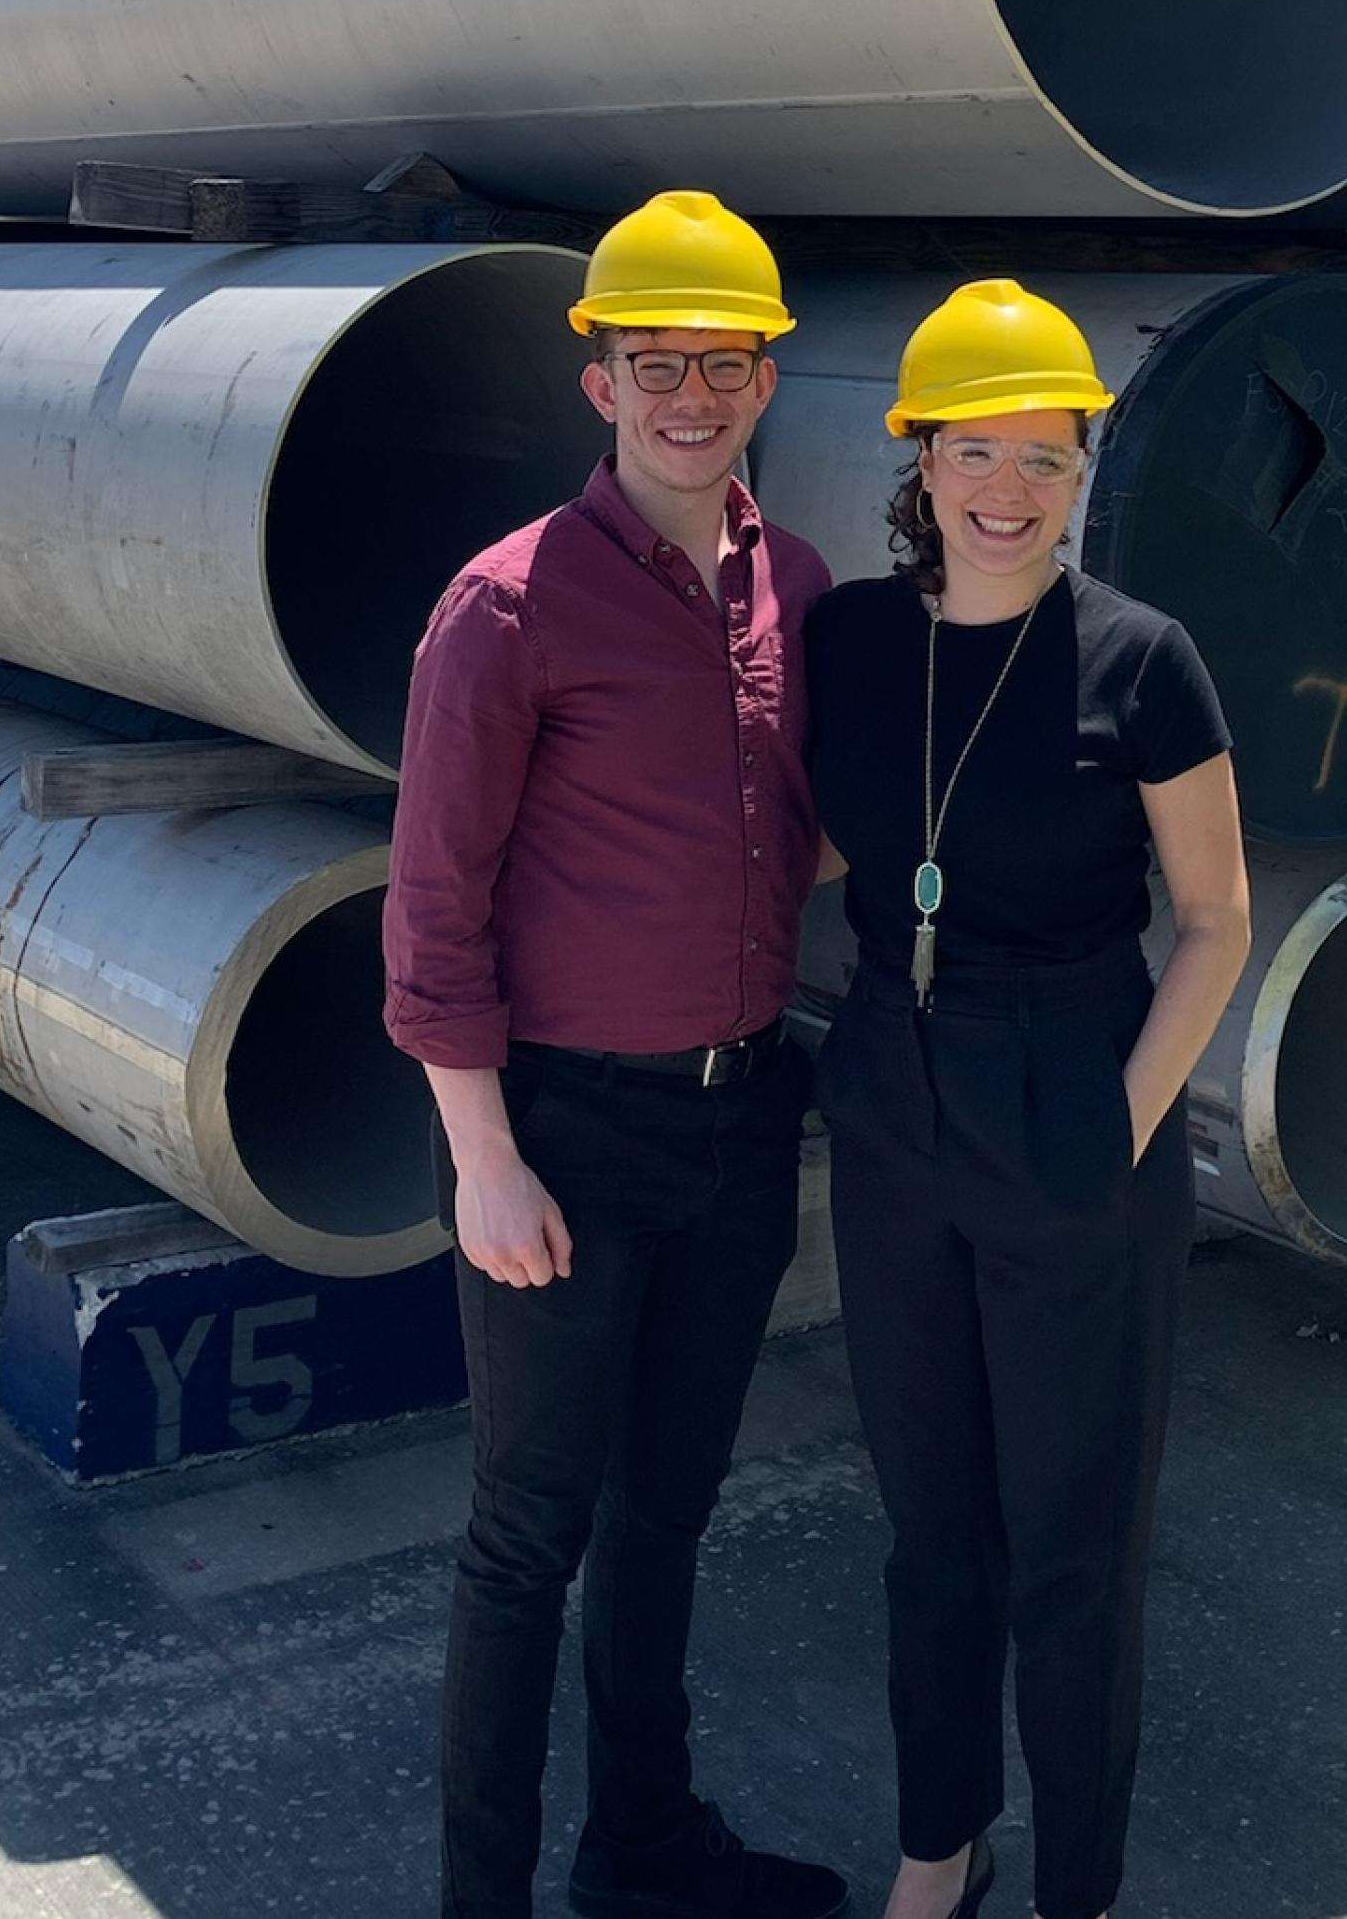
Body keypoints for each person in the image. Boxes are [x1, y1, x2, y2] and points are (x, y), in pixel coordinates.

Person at [384, 190, 849, 1919]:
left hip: (736, 1124)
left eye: (724, 363)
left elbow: (808, 835)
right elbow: (433, 909)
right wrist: (482, 1157)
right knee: (528, 1541)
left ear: (763, 377)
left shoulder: (793, 587)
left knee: (669, 1516)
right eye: (657, 362)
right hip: (562, 1137)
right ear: (599, 380)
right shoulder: (509, 610)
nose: (691, 395)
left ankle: (641, 1847)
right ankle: (482, 1900)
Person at [802, 281, 1253, 1919]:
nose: (1006, 491)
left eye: (1044, 462)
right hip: (893, 1102)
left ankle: (1079, 1879)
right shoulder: (849, 639)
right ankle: (943, 1845)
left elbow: (1215, 923)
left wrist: (1116, 1129)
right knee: (933, 1523)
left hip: (1075, 1096)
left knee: (1073, 1544)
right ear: (914, 457)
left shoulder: (1143, 662)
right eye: (973, 452)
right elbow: (835, 840)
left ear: (1084, 471)